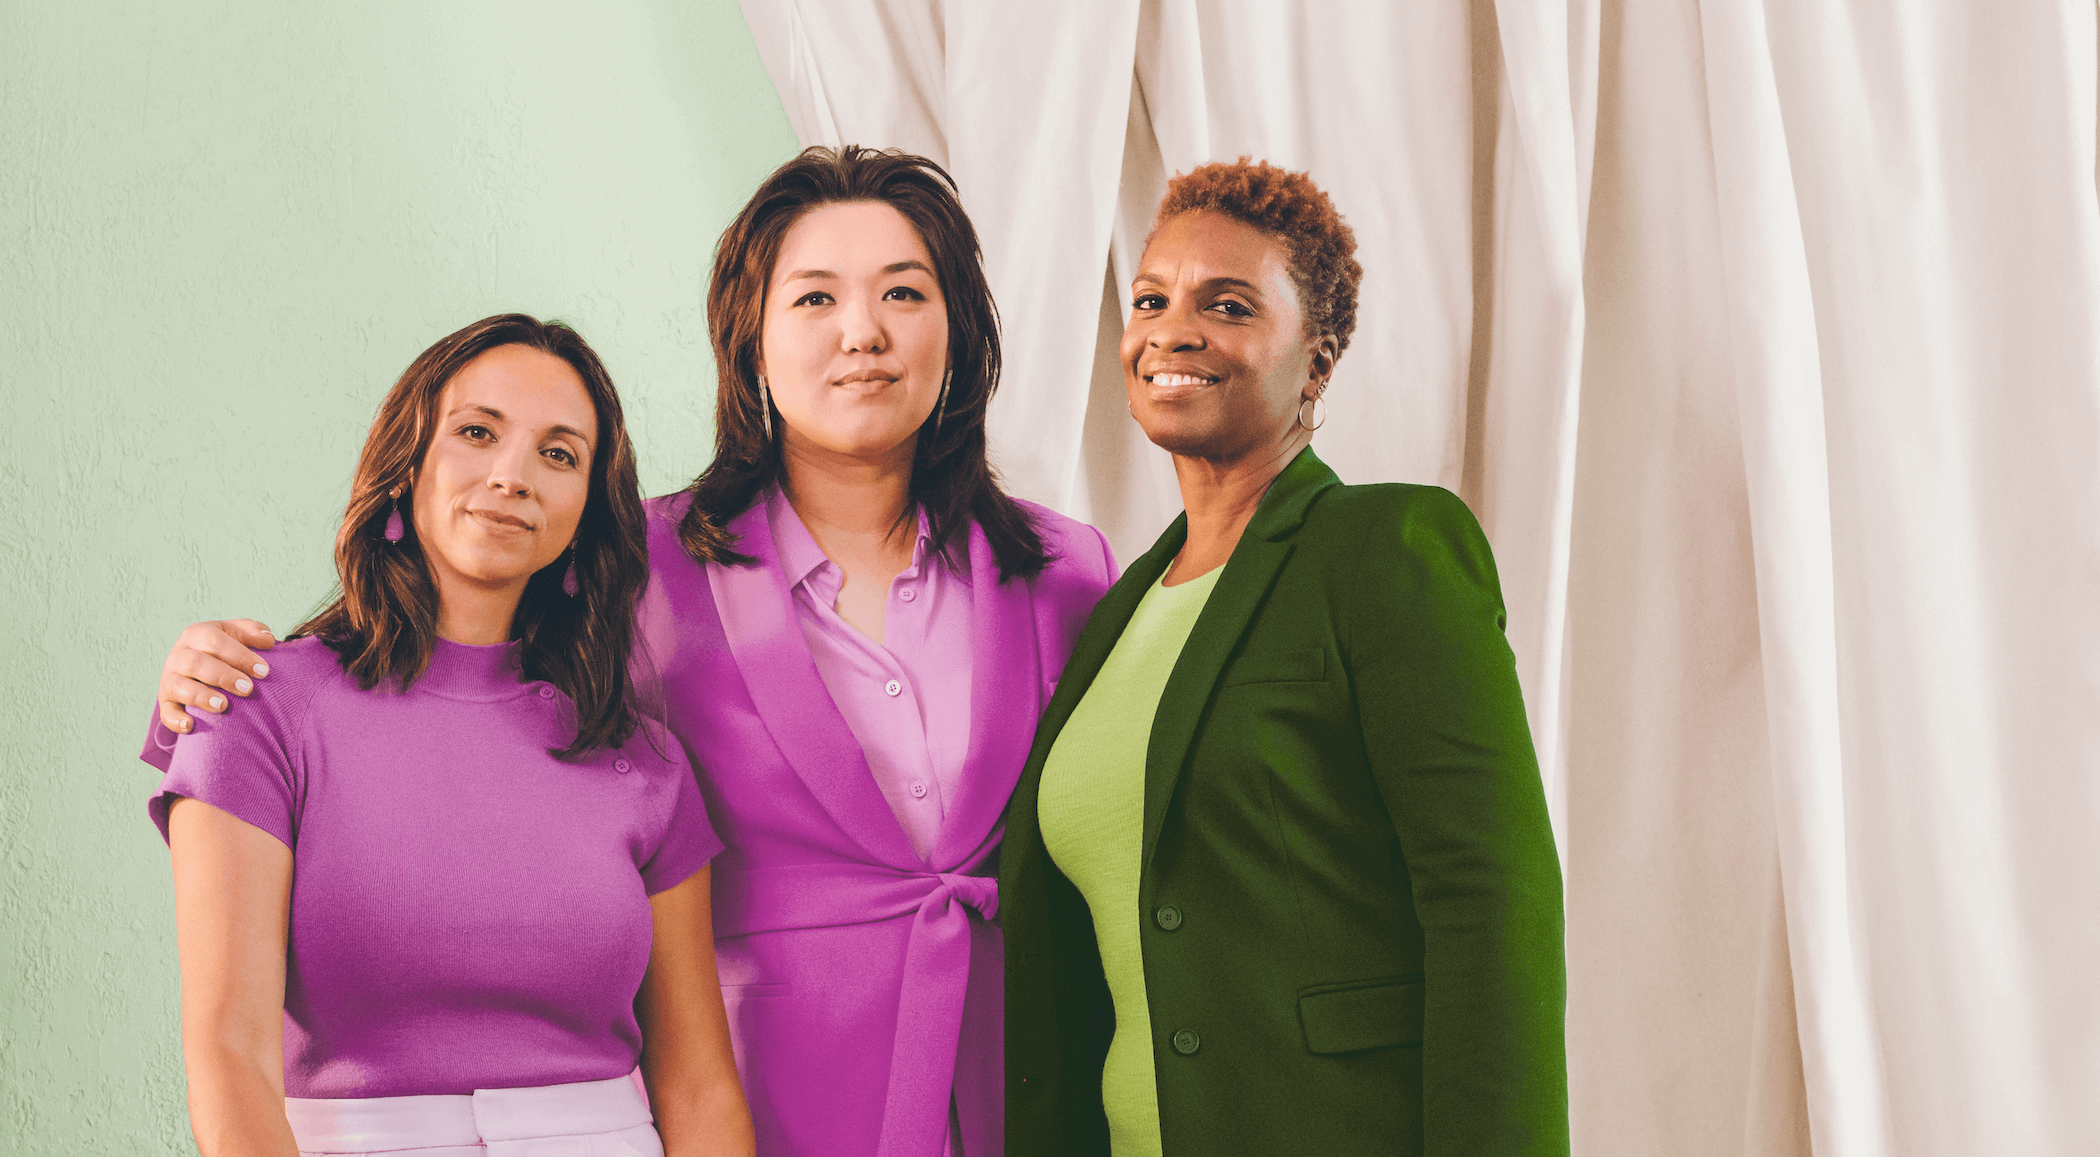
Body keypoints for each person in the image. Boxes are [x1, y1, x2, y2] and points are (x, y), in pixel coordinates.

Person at [148, 148, 1117, 1157]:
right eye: (815, 296)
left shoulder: (1068, 573)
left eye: (905, 292)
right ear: (750, 343)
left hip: (1015, 1082)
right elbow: (439, 672)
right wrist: (213, 675)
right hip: (769, 1087)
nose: (862, 332)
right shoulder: (626, 564)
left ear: (958, 327)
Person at [999, 159, 1570, 1157]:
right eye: (1151, 300)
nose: (1174, 329)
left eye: (1228, 304)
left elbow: (1493, 907)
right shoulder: (1117, 609)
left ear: (1317, 356)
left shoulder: (1384, 548)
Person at [146, 314, 755, 1157]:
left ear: (584, 513)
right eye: (476, 432)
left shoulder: (642, 758)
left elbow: (698, 1083)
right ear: (406, 463)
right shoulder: (253, 706)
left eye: (559, 453)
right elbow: (229, 1054)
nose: (512, 476)